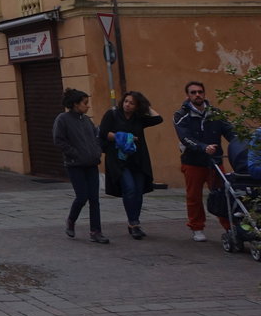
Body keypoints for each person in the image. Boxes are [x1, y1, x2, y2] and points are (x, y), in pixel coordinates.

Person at [173, 80, 235, 240]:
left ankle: (229, 227)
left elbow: (230, 132)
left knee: (223, 194)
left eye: (200, 92)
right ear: (188, 95)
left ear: (204, 93)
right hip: (193, 162)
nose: (197, 95)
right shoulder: (181, 115)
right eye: (193, 92)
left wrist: (240, 143)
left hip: (215, 161)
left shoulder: (215, 113)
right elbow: (185, 137)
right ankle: (197, 227)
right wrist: (202, 147)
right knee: (194, 196)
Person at [98, 90, 163, 239]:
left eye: (132, 103)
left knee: (139, 191)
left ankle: (135, 222)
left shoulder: (138, 118)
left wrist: (146, 106)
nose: (128, 105)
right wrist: (125, 138)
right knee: (130, 188)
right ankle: (133, 223)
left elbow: (158, 119)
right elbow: (103, 133)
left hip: (138, 160)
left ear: (137, 106)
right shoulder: (112, 114)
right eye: (126, 101)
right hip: (119, 160)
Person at [53, 88, 109, 243]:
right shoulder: (62, 119)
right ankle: (71, 220)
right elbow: (59, 140)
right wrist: (74, 153)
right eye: (85, 103)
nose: (88, 106)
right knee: (82, 196)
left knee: (94, 199)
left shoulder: (86, 120)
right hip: (75, 165)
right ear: (75, 104)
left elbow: (96, 136)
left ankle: (96, 231)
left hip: (91, 163)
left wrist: (97, 151)